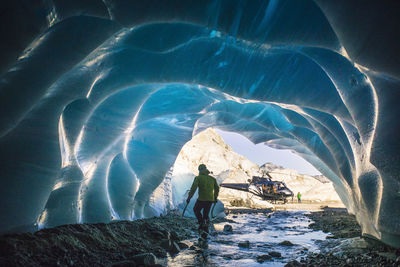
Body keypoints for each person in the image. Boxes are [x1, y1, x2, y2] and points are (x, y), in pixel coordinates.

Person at [187, 164, 219, 233]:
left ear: (200, 170)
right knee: (206, 214)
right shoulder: (212, 179)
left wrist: (189, 197)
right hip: (210, 199)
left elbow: (193, 188)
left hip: (201, 199)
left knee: (196, 210)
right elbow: (217, 189)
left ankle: (201, 224)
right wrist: (215, 197)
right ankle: (206, 228)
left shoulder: (198, 178)